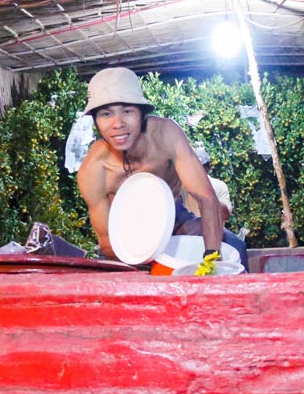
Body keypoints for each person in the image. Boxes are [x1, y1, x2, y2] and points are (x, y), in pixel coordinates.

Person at [76, 67, 248, 269]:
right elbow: (107, 241)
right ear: (96, 121)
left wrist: (211, 257)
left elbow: (206, 197)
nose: (118, 124)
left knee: (234, 245)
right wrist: (149, 264)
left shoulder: (167, 136)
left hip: (173, 217)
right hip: (127, 232)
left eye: (127, 111)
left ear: (142, 114)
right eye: (106, 114)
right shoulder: (94, 169)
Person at [184, 146, 232, 223]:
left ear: (208, 167)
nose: (197, 170)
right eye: (194, 166)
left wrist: (206, 196)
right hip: (188, 233)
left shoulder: (219, 186)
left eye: (201, 167)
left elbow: (225, 215)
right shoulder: (182, 186)